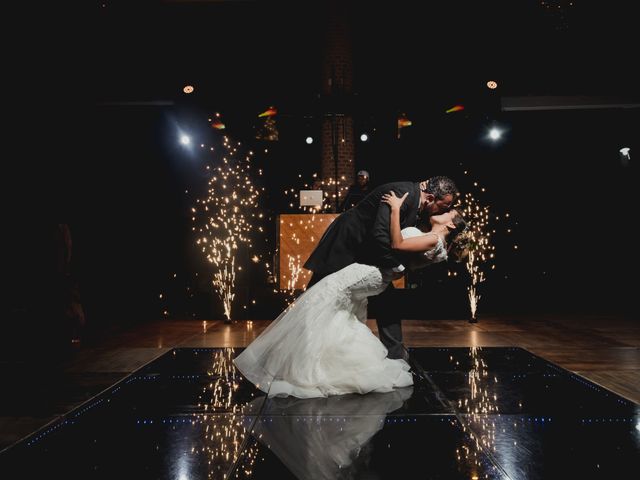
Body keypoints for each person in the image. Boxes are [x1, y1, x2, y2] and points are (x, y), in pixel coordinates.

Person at [233, 194, 467, 398]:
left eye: (450, 213)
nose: (446, 211)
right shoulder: (435, 242)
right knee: (339, 312)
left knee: (322, 296)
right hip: (377, 276)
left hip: (371, 273)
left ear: (453, 226)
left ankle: (308, 366)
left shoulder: (435, 240)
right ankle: (339, 363)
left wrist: (395, 208)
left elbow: (397, 244)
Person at [303, 176, 459, 359]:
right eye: (444, 206)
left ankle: (395, 353)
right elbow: (380, 235)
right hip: (347, 244)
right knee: (317, 294)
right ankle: (302, 344)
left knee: (386, 300)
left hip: (369, 252)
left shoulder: (417, 204)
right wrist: (396, 267)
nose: (444, 210)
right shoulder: (400, 194)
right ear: (431, 198)